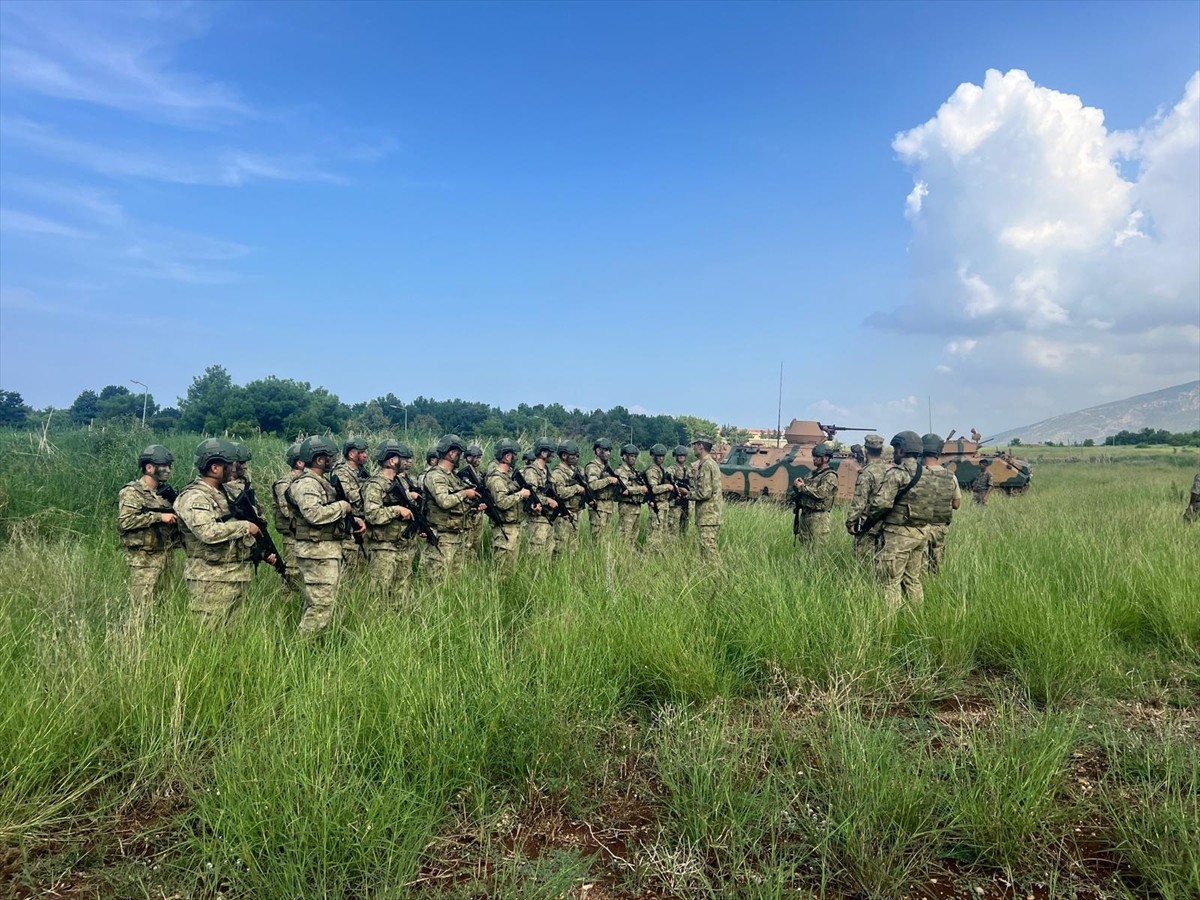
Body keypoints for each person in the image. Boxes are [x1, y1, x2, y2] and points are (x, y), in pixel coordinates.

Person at [174, 439, 258, 628]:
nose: (234, 469)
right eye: (229, 465)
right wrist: (245, 527)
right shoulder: (194, 496)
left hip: (236, 573)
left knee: (233, 634)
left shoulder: (226, 492)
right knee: (208, 634)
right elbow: (207, 532)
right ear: (214, 467)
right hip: (210, 577)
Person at [287, 436, 362, 635]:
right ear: (319, 459)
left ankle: (315, 644)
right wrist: (342, 506)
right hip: (316, 551)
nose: (334, 460)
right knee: (320, 606)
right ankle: (302, 648)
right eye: (330, 457)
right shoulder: (307, 484)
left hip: (325, 549)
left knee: (322, 603)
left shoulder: (321, 482)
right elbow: (314, 514)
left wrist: (353, 521)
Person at [864, 431, 940, 611]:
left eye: (896, 449)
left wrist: (869, 516)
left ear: (901, 450)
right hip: (921, 532)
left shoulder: (898, 473)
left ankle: (889, 624)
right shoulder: (929, 475)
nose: (894, 453)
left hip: (898, 535)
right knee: (913, 580)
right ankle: (917, 618)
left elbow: (880, 504)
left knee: (889, 581)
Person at [117, 444, 181, 631]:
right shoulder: (133, 492)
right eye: (163, 465)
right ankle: (132, 639)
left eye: (169, 466)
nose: (167, 470)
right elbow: (125, 522)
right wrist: (159, 517)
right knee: (141, 603)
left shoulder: (165, 493)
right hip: (144, 557)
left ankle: (158, 637)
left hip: (165, 554)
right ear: (149, 467)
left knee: (164, 601)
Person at [421, 434, 485, 580]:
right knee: (437, 581)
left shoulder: (453, 476)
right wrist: (465, 493)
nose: (460, 458)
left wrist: (474, 506)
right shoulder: (436, 475)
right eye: (459, 454)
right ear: (451, 453)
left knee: (454, 580)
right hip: (443, 537)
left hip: (457, 534)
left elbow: (458, 504)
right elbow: (444, 501)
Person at [362, 441, 419, 602]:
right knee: (378, 593)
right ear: (392, 460)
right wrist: (396, 510)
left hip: (402, 545)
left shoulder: (399, 482)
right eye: (403, 458)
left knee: (401, 592)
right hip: (384, 547)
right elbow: (372, 514)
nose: (407, 462)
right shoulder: (375, 484)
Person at [485, 439, 532, 569]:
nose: (515, 458)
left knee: (511, 567)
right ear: (506, 456)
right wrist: (520, 494)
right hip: (504, 529)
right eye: (513, 455)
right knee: (502, 569)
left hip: (514, 527)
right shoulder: (496, 478)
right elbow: (501, 502)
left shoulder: (509, 477)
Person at [845, 434, 890, 563]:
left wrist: (850, 522)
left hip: (867, 525)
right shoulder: (891, 470)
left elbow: (859, 502)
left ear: (866, 450)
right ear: (881, 451)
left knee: (864, 563)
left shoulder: (866, 473)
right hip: (888, 524)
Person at [921, 433, 961, 574]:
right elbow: (956, 504)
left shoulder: (917, 475)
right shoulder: (950, 476)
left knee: (920, 567)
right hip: (940, 527)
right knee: (937, 566)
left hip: (920, 527)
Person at [270, 441, 305, 593]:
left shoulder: (307, 481)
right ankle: (288, 600)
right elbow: (286, 511)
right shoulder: (285, 483)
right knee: (292, 571)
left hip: (306, 534)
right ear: (299, 462)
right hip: (292, 535)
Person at [331, 439, 370, 573]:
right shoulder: (341, 472)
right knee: (350, 566)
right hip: (349, 523)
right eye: (362, 452)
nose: (365, 455)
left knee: (364, 565)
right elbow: (346, 495)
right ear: (352, 454)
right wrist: (368, 489)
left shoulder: (362, 471)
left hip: (363, 521)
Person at [790, 442, 840, 546]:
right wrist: (798, 486)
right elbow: (805, 491)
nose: (814, 459)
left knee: (817, 548)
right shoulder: (811, 474)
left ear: (826, 458)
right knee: (804, 546)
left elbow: (821, 494)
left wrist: (802, 487)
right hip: (805, 515)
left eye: (817, 457)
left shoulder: (830, 476)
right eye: (814, 456)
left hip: (819, 516)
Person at [549, 440, 587, 556]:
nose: (576, 457)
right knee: (560, 545)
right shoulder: (558, 473)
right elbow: (559, 492)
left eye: (577, 455)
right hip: (564, 514)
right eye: (573, 455)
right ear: (564, 455)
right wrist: (575, 488)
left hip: (575, 512)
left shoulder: (576, 471)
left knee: (573, 546)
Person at [522, 439, 558, 558]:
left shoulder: (547, 470)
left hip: (548, 517)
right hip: (537, 519)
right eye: (550, 452)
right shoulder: (532, 471)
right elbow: (531, 494)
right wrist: (547, 500)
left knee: (548, 553)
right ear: (543, 453)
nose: (552, 455)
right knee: (536, 554)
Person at [688, 434, 724, 558]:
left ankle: (718, 576)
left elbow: (705, 493)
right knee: (707, 550)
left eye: (695, 445)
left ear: (701, 446)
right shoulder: (711, 463)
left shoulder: (706, 465)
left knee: (709, 552)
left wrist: (686, 494)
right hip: (711, 516)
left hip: (708, 516)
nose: (693, 448)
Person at [584, 438, 620, 543]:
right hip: (598, 505)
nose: (608, 453)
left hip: (608, 505)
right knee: (598, 539)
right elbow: (593, 485)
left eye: (610, 450)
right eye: (606, 450)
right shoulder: (593, 466)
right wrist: (609, 480)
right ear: (598, 451)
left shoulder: (606, 467)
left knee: (606, 538)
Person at [614, 443, 649, 545]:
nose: (633, 458)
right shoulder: (621, 471)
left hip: (636, 506)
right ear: (624, 456)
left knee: (634, 536)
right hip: (627, 507)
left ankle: (630, 557)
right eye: (631, 456)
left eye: (635, 456)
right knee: (625, 536)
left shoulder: (634, 471)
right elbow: (624, 489)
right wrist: (640, 489)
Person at [642, 444, 674, 549]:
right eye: (658, 456)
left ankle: (659, 552)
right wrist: (667, 486)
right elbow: (654, 489)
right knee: (654, 531)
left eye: (662, 456)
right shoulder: (652, 470)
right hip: (657, 504)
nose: (660, 458)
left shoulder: (661, 469)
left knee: (662, 531)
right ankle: (650, 553)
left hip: (664, 504)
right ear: (653, 456)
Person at [462, 444, 487, 557]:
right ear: (468, 458)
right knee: (467, 541)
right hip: (468, 511)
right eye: (476, 457)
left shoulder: (480, 474)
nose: (478, 460)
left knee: (476, 541)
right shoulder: (463, 474)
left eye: (480, 457)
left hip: (479, 511)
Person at [666, 445, 691, 537]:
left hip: (687, 503)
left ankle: (682, 545)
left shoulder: (688, 470)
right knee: (672, 528)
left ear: (686, 457)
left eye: (683, 455)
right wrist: (679, 489)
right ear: (675, 456)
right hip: (675, 503)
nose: (681, 457)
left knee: (685, 527)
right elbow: (668, 484)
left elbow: (693, 484)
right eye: (679, 455)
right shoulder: (671, 469)